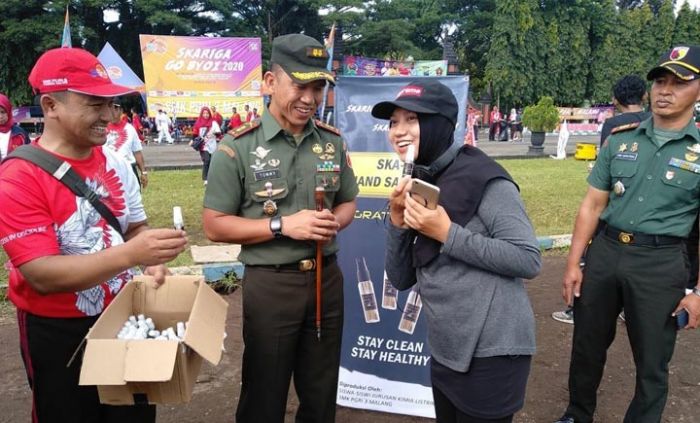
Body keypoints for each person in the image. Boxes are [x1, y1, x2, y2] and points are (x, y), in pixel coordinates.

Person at [0, 47, 187, 423]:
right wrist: (133, 255)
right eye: (94, 103)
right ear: (51, 106)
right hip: (58, 331)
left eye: (111, 103)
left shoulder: (116, 162)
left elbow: (133, 226)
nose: (108, 115)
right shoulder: (18, 177)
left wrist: (149, 264)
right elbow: (41, 274)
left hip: (124, 319)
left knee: (133, 415)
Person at [202, 33, 358, 423]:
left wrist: (331, 224)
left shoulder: (332, 142)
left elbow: (348, 202)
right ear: (270, 82)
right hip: (272, 285)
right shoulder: (236, 147)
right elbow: (214, 225)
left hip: (326, 281)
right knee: (264, 394)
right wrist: (283, 225)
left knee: (322, 392)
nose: (309, 97)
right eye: (300, 84)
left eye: (318, 87)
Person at [374, 80, 541, 423]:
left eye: (411, 119)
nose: (399, 131)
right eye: (393, 122)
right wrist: (398, 223)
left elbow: (527, 258)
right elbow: (401, 278)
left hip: (494, 349)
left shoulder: (485, 178)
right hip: (447, 346)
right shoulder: (421, 180)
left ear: (439, 124)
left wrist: (447, 233)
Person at [554, 45, 700, 423]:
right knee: (587, 344)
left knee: (652, 359)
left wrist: (698, 293)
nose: (664, 91)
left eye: (679, 83)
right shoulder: (622, 138)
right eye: (660, 82)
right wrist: (574, 263)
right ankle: (577, 413)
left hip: (660, 263)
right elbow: (592, 205)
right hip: (605, 253)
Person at [552, 74, 651, 324]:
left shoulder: (615, 125)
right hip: (646, 206)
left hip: (614, 200)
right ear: (644, 96)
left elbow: (606, 168)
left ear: (616, 98)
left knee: (592, 254)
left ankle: (578, 309)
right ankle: (631, 308)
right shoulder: (654, 121)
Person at [105, 103, 148, 189]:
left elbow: (137, 152)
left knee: (133, 200)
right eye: (110, 108)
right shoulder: (102, 129)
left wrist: (143, 173)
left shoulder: (130, 129)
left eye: (116, 108)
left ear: (121, 111)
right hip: (109, 171)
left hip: (129, 169)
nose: (113, 112)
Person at [189, 106, 221, 185]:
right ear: (201, 114)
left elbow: (219, 133)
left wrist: (214, 133)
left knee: (212, 161)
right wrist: (192, 140)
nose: (206, 115)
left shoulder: (213, 122)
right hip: (203, 145)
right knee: (206, 160)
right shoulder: (198, 122)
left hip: (212, 144)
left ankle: (212, 177)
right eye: (204, 113)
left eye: (207, 113)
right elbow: (195, 133)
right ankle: (206, 178)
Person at [0, 93, 31, 160]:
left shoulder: (20, 134)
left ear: (8, 112)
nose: (0, 116)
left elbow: (28, 156)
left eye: (3, 112)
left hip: (15, 169)